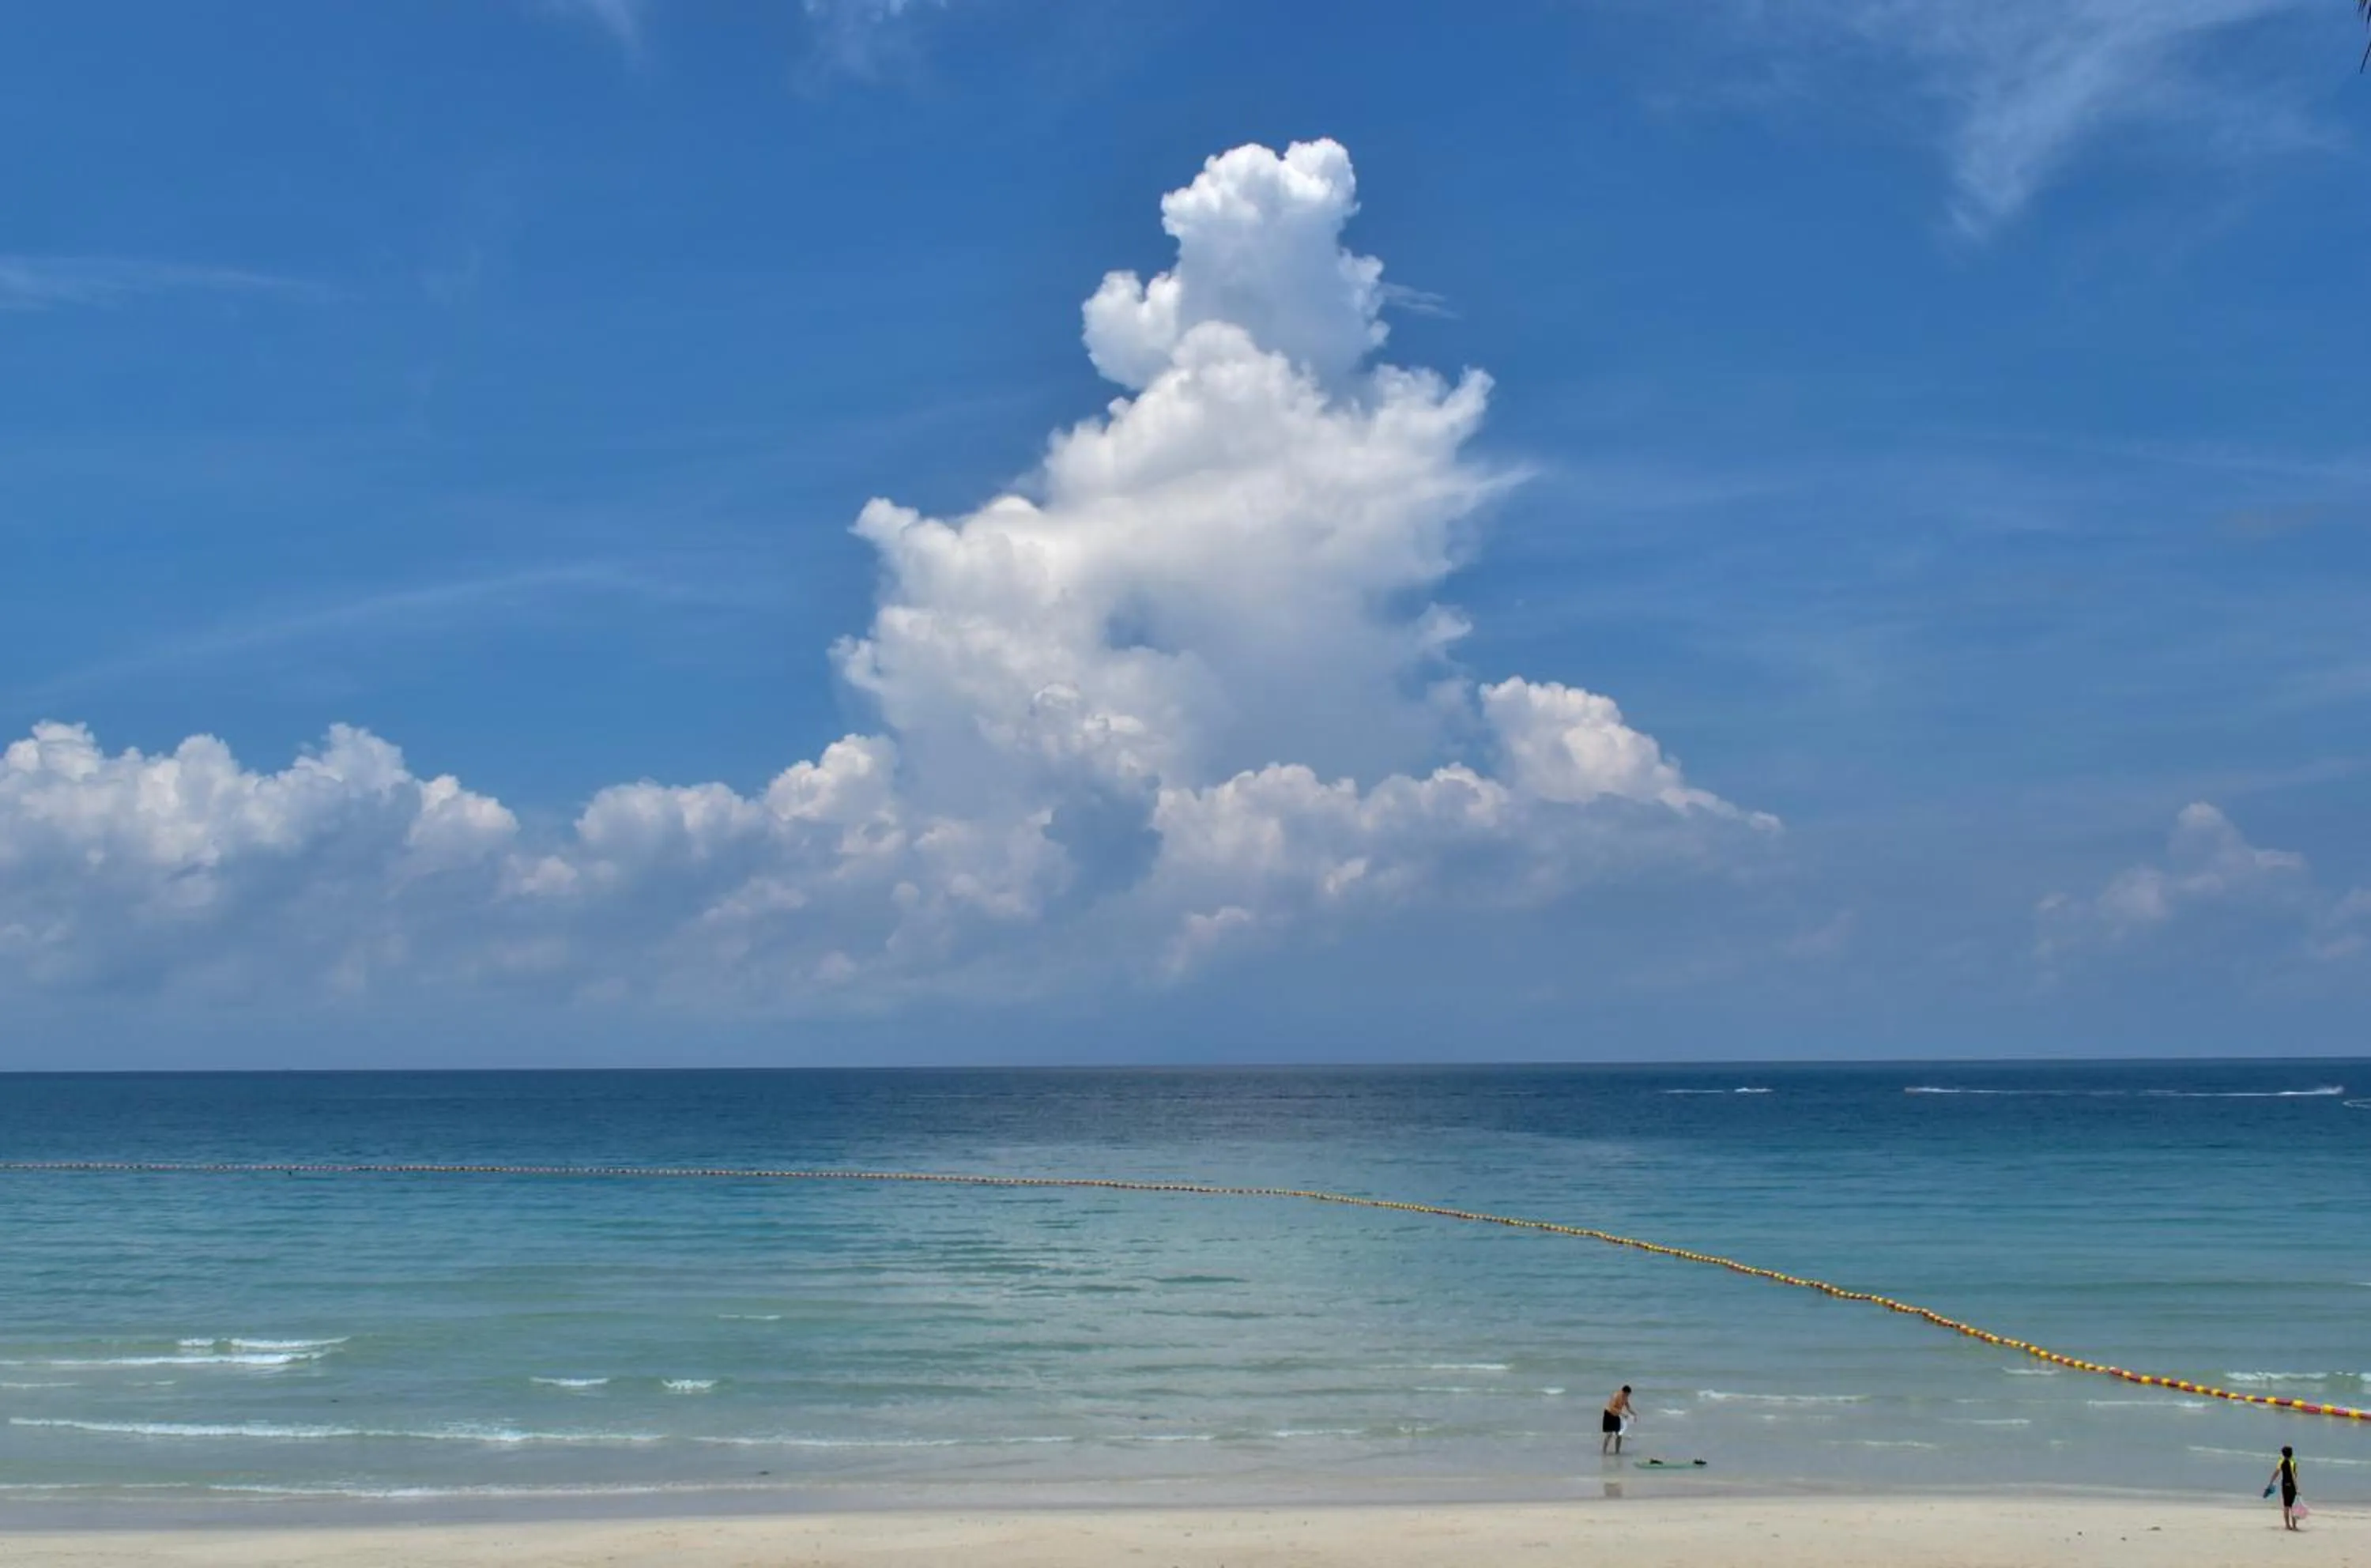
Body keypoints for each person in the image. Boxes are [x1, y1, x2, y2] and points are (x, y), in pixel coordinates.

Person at [2265, 1446, 2301, 1530]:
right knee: (2293, 1506)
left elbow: (2276, 1473)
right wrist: (2297, 1488)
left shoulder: (2281, 1462)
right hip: (2292, 1485)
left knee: (2286, 1505)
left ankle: (2287, 1525)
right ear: (2291, 1453)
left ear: (2283, 1454)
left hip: (2284, 1485)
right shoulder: (2293, 1462)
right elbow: (2294, 1476)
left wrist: (2271, 1482)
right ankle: (2294, 1526)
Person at [1601, 1385, 1634, 1456]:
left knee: (1619, 1434)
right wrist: (1622, 1414)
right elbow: (1611, 1407)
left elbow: (1628, 1407)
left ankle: (1617, 1451)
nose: (1628, 1396)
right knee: (1609, 1434)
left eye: (1628, 1395)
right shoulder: (1616, 1396)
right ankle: (1604, 1451)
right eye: (1627, 1394)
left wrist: (1634, 1414)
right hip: (1609, 1413)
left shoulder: (1625, 1398)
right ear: (1624, 1392)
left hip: (1616, 1415)